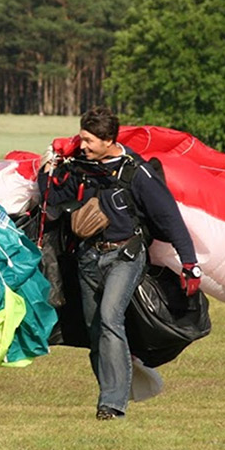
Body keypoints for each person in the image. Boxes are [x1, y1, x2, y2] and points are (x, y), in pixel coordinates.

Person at [40, 107, 201, 420]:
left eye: (88, 140)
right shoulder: (81, 169)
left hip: (125, 256)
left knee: (110, 317)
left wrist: (190, 263)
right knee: (94, 328)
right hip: (89, 257)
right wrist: (49, 169)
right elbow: (53, 198)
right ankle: (113, 388)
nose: (82, 145)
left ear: (108, 140)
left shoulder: (136, 173)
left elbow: (169, 218)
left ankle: (112, 404)